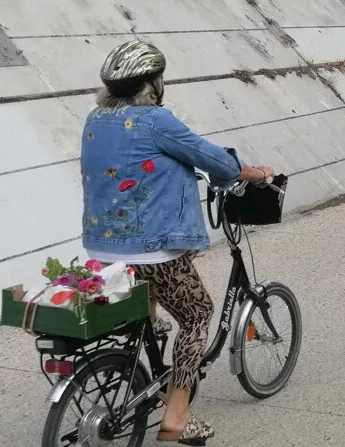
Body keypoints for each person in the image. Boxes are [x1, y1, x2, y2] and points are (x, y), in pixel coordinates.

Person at [81, 40, 274, 445]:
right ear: (152, 83)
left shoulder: (96, 119)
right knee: (197, 313)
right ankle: (177, 417)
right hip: (150, 246)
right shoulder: (155, 120)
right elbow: (213, 159)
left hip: (103, 246)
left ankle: (143, 363)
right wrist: (252, 173)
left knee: (151, 305)